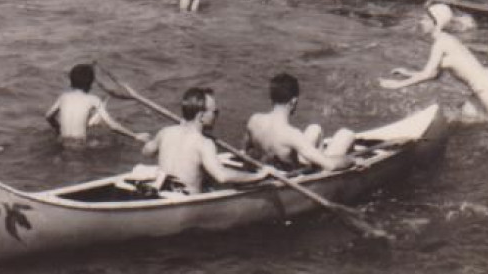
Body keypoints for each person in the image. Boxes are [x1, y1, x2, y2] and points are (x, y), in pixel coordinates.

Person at [379, 4, 488, 127]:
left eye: (425, 19)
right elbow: (434, 74)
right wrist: (407, 72)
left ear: (436, 22)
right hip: (487, 82)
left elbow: (427, 73)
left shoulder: (441, 43)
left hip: (484, 88)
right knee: (468, 116)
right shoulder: (446, 40)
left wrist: (397, 85)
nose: (421, 22)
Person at [136, 88, 268, 194]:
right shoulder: (204, 143)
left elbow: (147, 152)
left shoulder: (165, 132)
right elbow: (222, 176)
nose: (217, 116)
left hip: (162, 192)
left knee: (205, 175)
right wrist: (259, 176)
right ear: (201, 116)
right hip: (184, 200)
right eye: (215, 112)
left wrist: (148, 140)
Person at [244, 73, 354, 172]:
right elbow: (330, 165)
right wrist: (352, 160)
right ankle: (322, 171)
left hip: (275, 168)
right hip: (293, 176)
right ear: (293, 101)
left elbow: (247, 154)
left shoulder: (254, 120)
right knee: (346, 134)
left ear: (272, 98)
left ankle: (316, 158)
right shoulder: (291, 135)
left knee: (315, 128)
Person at [46, 64, 149, 145]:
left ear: (71, 81)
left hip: (63, 141)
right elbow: (112, 125)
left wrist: (58, 129)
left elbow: (48, 116)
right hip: (80, 144)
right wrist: (135, 136)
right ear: (90, 84)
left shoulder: (63, 97)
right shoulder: (93, 99)